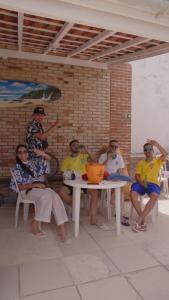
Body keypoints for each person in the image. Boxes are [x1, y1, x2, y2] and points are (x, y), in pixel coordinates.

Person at [10, 144, 68, 241]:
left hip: (39, 188)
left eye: (25, 151)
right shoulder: (16, 169)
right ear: (17, 155)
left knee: (55, 195)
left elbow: (48, 159)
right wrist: (34, 185)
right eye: (20, 152)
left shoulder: (33, 164)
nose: (23, 154)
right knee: (47, 195)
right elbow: (19, 186)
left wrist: (43, 154)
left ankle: (61, 227)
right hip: (26, 191)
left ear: (28, 153)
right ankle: (35, 222)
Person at [131, 139, 167, 232]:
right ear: (144, 152)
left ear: (153, 151)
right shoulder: (141, 162)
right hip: (141, 182)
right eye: (146, 149)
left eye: (150, 149)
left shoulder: (157, 160)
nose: (148, 151)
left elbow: (165, 154)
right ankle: (142, 219)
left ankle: (139, 220)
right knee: (133, 193)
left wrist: (156, 144)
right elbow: (137, 175)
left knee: (154, 196)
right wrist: (141, 182)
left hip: (153, 183)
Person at [59, 139, 98, 225]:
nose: (76, 146)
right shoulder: (66, 159)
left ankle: (93, 217)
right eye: (74, 145)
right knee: (61, 192)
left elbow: (95, 161)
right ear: (70, 147)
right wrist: (68, 175)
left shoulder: (83, 156)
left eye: (77, 145)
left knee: (95, 192)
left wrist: (86, 150)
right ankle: (75, 206)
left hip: (84, 181)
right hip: (71, 182)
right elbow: (62, 174)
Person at [98, 139, 130, 226]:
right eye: (112, 146)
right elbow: (99, 169)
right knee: (120, 190)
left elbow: (120, 171)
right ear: (109, 146)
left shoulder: (119, 157)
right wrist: (107, 159)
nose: (114, 148)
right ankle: (120, 214)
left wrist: (119, 178)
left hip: (114, 179)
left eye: (116, 147)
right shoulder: (103, 156)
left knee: (122, 185)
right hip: (104, 179)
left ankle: (118, 209)